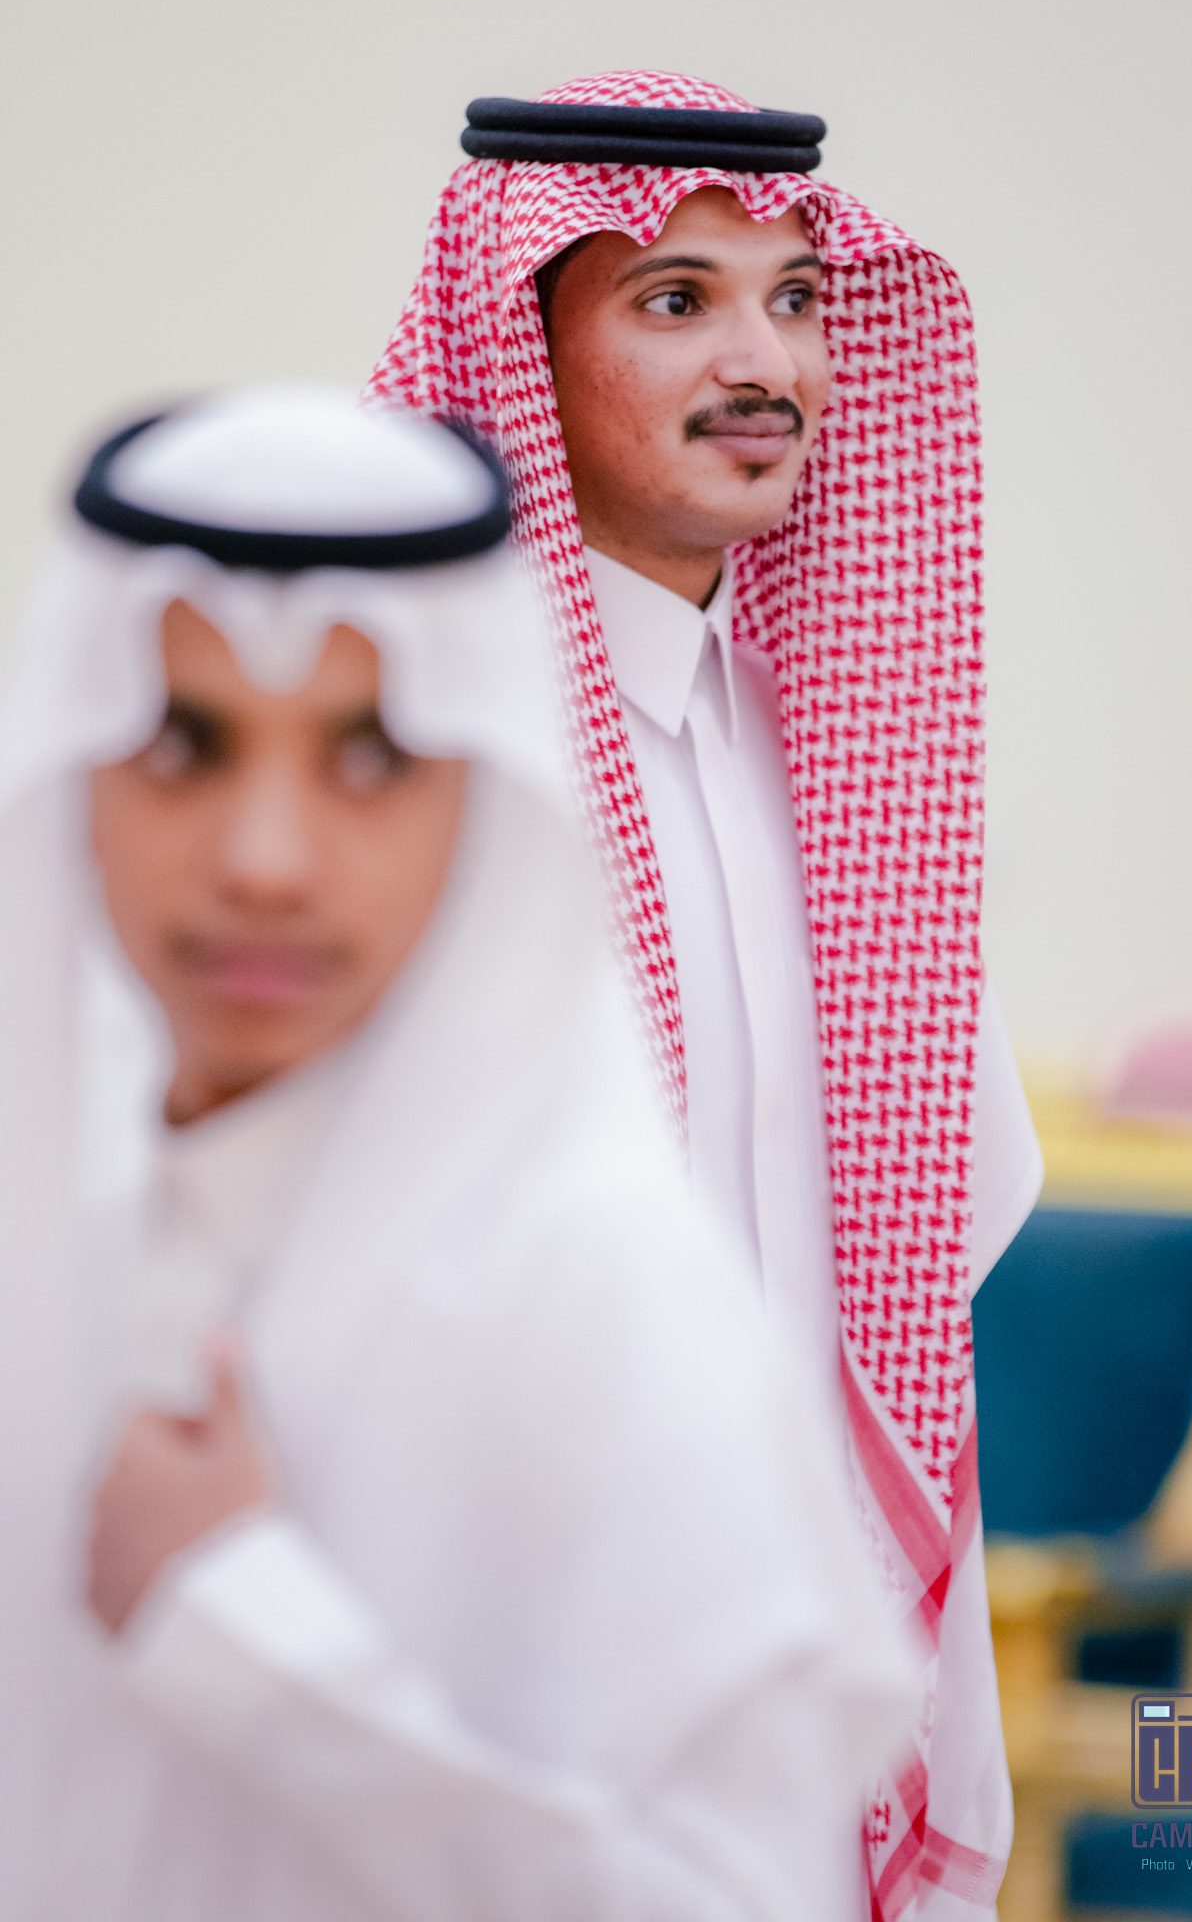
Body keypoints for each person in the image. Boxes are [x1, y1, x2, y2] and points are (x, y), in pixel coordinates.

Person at [0, 386, 920, 1922]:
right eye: (185, 747)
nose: (264, 861)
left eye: (370, 758)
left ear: (484, 795)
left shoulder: (607, 1295)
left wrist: (258, 1651)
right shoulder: (45, 1237)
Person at [370, 71, 1046, 1921]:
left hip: (795, 1680)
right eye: (675, 299)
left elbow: (918, 1247)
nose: (766, 364)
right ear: (518, 350)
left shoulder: (828, 759)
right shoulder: (409, 761)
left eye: (795, 298)